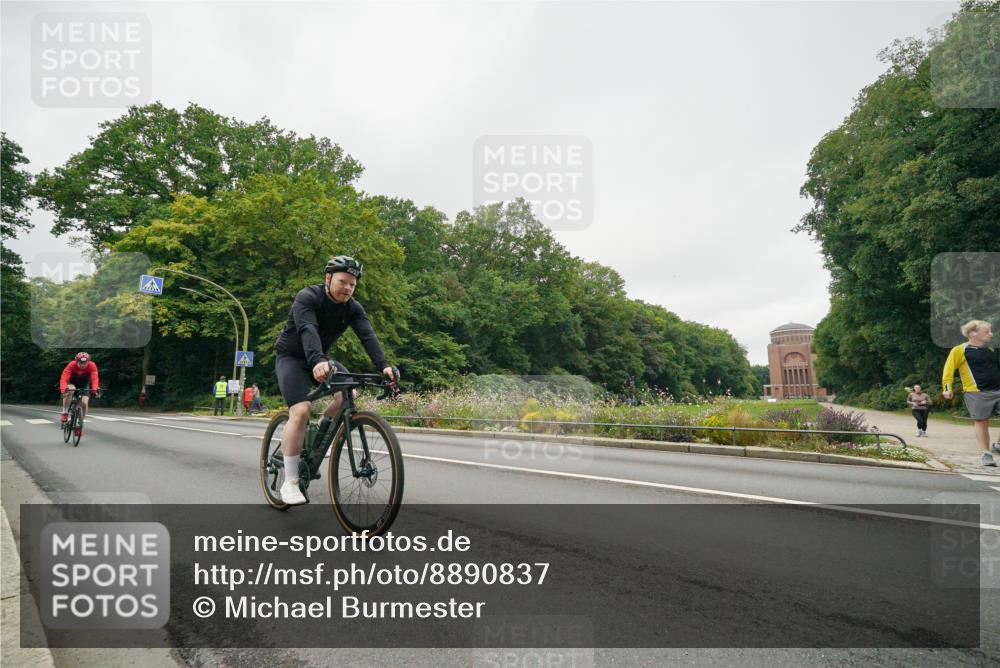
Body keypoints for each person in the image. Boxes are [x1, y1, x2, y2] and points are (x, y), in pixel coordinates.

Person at [274, 255, 397, 505]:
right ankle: (290, 481)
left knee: (348, 394)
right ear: (328, 278)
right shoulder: (307, 297)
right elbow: (308, 329)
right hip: (293, 358)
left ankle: (320, 433)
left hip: (322, 359)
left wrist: (384, 366)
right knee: (300, 410)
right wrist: (318, 360)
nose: (348, 288)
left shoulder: (353, 308)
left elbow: (368, 336)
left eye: (353, 284)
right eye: (343, 281)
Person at [942, 320, 1000, 467]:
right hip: (976, 392)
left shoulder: (991, 349)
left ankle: (998, 444)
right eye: (987, 332)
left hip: (997, 390)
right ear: (973, 333)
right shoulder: (959, 350)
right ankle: (986, 454)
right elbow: (948, 370)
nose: (991, 334)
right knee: (982, 421)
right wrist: (947, 388)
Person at [59, 352, 100, 437]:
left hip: (85, 385)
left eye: (85, 363)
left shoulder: (92, 365)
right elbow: (64, 378)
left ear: (88, 361)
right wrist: (63, 390)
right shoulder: (71, 365)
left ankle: (80, 423)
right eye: (81, 363)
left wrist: (95, 390)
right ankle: (65, 412)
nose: (83, 365)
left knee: (84, 402)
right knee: (70, 390)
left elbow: (94, 379)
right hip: (72, 383)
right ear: (76, 361)